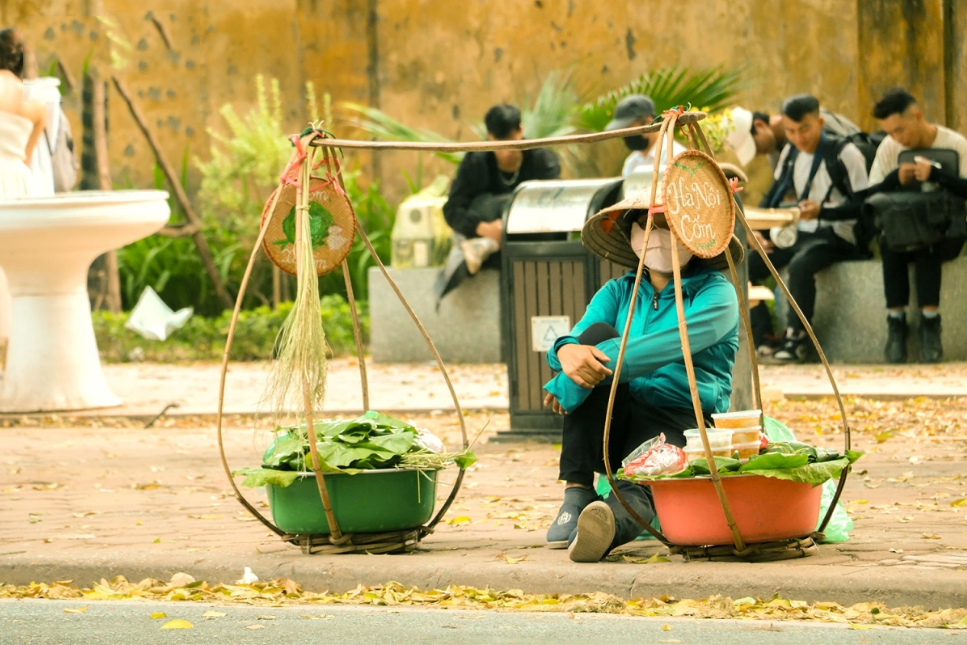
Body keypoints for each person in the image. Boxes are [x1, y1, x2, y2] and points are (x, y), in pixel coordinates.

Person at [541, 193, 742, 562]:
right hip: (616, 411)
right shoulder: (618, 291)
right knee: (596, 335)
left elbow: (666, 346)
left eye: (674, 226)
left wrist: (565, 379)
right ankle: (577, 492)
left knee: (644, 482)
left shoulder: (717, 295)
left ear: (695, 235)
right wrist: (564, 352)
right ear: (633, 234)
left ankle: (611, 521)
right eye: (652, 226)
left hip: (681, 416)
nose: (663, 237)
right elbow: (580, 341)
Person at [749, 94, 869, 363]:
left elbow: (864, 206)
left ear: (820, 122)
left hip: (840, 234)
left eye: (804, 129)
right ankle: (763, 337)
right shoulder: (790, 152)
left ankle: (796, 340)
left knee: (801, 265)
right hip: (803, 232)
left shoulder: (844, 152)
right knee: (748, 263)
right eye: (790, 131)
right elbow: (771, 196)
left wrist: (823, 211)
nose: (798, 138)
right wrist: (754, 229)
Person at [866, 88, 967, 363]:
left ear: (917, 116)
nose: (898, 138)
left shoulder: (955, 144)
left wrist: (938, 176)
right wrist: (895, 180)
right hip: (902, 228)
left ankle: (930, 323)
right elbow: (870, 193)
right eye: (891, 133)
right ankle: (896, 322)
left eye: (901, 130)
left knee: (927, 243)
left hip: (946, 231)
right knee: (890, 243)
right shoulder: (890, 147)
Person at [436, 104, 560, 301]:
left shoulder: (542, 160)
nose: (506, 150)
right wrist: (484, 228)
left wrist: (510, 228)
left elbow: (554, 206)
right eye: (499, 141)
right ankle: (486, 243)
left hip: (529, 237)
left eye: (511, 139)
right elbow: (452, 209)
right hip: (488, 238)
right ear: (490, 137)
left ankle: (487, 245)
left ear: (521, 130)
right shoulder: (475, 161)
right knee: (483, 204)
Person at [0, 28, 45, 355]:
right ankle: (13, 349)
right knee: (15, 264)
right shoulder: (36, 102)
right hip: (17, 181)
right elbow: (27, 156)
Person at [606, 94, 686, 177]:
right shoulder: (631, 163)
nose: (625, 135)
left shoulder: (675, 156)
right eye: (622, 129)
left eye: (629, 128)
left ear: (648, 122)